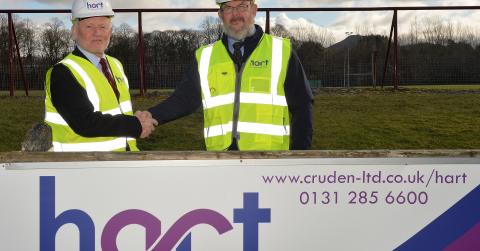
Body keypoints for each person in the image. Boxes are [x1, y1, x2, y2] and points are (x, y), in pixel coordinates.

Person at [144, 0, 313, 151]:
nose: (235, 14)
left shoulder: (281, 51)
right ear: (220, 14)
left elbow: (302, 105)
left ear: (254, 10)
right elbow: (184, 100)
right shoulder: (205, 56)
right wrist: (149, 116)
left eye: (242, 6)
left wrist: (299, 154)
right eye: (228, 8)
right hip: (220, 159)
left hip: (268, 158)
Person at [44, 0, 157, 152]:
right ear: (74, 31)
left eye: (103, 26)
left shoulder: (115, 64)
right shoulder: (63, 72)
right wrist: (135, 125)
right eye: (89, 26)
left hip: (121, 162)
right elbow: (84, 123)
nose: (97, 33)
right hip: (79, 167)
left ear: (110, 32)